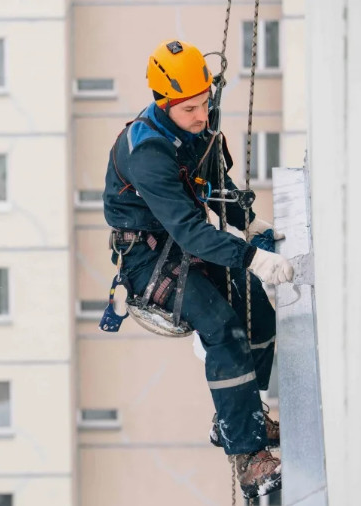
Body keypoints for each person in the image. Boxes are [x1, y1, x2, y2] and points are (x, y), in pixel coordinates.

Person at [102, 39, 294, 499]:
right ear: (164, 103)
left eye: (206, 103)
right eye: (190, 109)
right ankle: (249, 457)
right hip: (152, 256)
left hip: (186, 238)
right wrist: (253, 256)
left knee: (260, 315)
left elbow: (219, 188)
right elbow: (189, 230)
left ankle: (240, 415)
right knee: (223, 328)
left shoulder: (199, 129)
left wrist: (253, 226)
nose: (202, 116)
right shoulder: (145, 152)